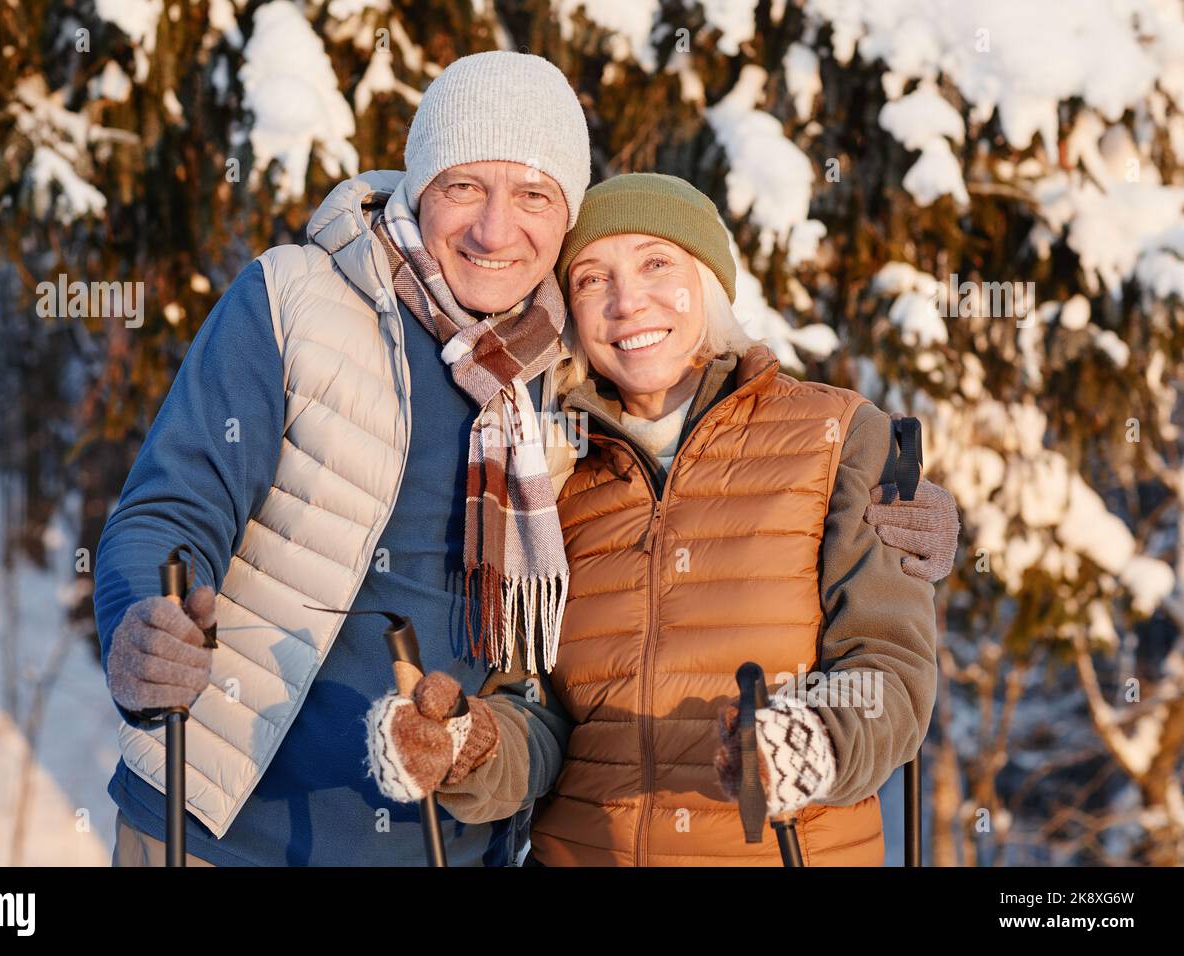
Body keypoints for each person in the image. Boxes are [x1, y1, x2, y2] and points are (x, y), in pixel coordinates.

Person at [98, 49, 953, 866]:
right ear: (420, 186)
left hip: (452, 848)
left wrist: (917, 534)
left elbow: (883, 655)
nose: (495, 228)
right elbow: (173, 510)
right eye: (464, 185)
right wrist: (147, 624)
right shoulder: (307, 307)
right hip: (226, 831)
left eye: (536, 196)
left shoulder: (561, 400)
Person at [366, 173, 957, 866]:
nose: (626, 302)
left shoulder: (839, 434)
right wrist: (473, 748)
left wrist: (809, 741)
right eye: (590, 280)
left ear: (705, 280)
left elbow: (890, 670)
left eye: (656, 264)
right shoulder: (548, 467)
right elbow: (544, 718)